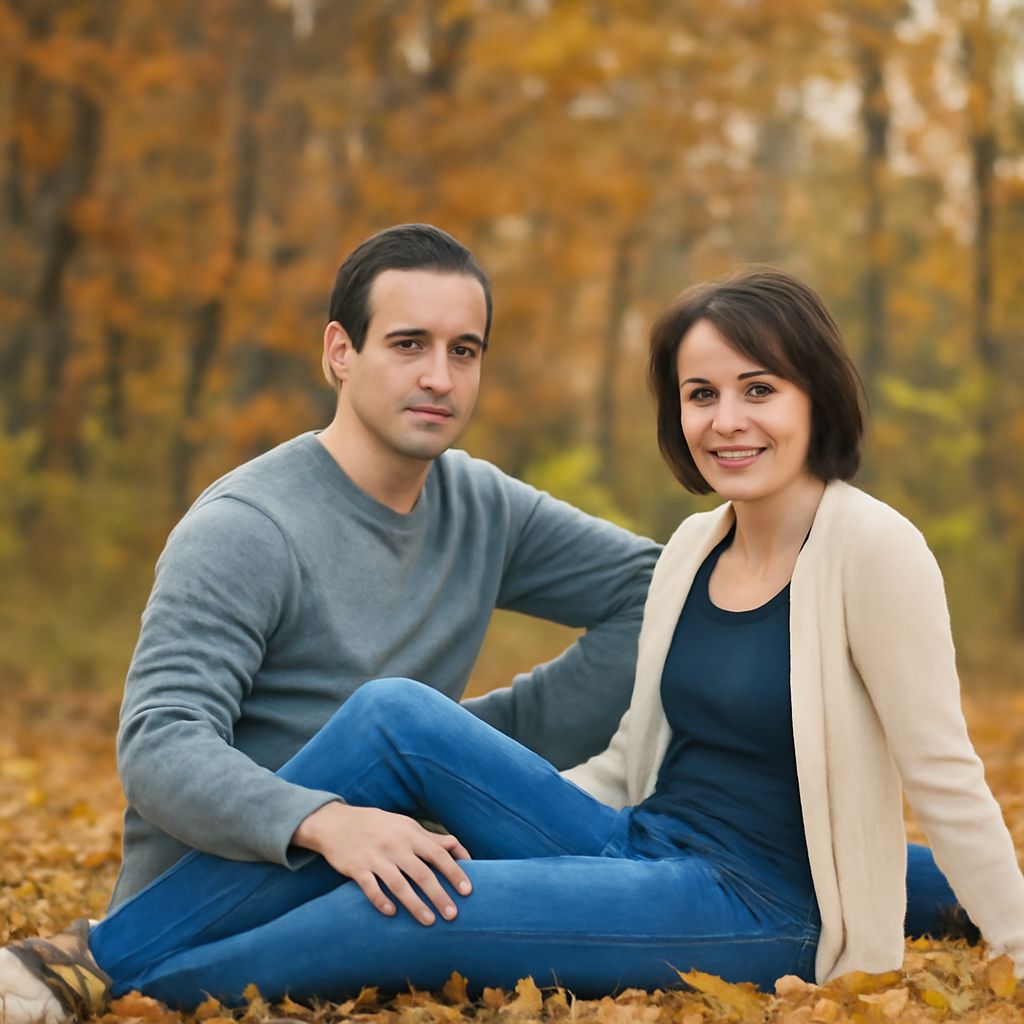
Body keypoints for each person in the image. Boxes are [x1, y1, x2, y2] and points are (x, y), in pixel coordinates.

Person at [0, 263, 984, 1020]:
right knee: (395, 716)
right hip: (646, 842)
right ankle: (94, 956)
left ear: (814, 394)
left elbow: (944, 777)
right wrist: (442, 791)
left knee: (411, 906)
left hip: (753, 903)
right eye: (699, 394)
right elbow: (653, 751)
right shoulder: (695, 543)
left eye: (757, 389)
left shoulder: (873, 547)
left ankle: (113, 986)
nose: (724, 420)